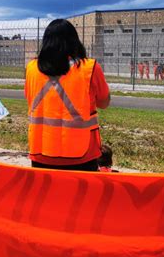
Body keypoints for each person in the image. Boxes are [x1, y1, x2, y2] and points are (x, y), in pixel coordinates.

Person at [25, 19, 110, 171]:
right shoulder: (89, 68)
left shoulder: (31, 69)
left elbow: (29, 99)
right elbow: (104, 103)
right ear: (74, 41)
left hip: (41, 151)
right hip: (82, 153)